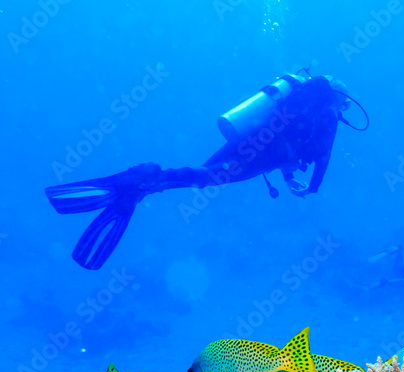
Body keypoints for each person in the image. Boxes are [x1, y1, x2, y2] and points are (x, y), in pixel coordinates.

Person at [46, 72, 357, 270]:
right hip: (267, 153)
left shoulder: (300, 99)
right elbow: (322, 157)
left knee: (206, 173)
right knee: (209, 178)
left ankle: (146, 184)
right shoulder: (328, 114)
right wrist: (313, 187)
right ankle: (148, 178)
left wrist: (287, 175)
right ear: (339, 99)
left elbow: (288, 133)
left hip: (251, 136)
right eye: (343, 106)